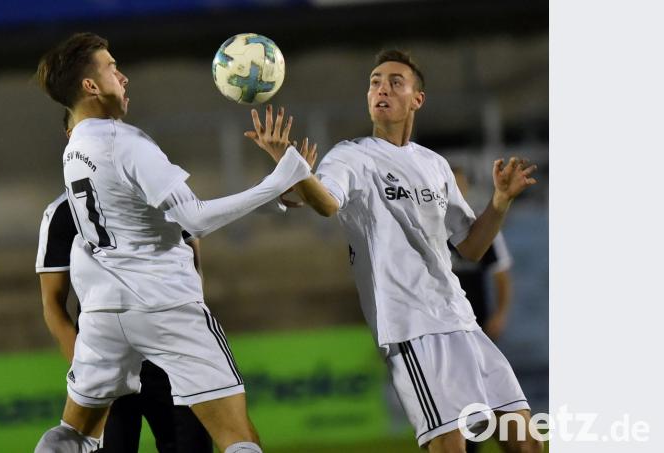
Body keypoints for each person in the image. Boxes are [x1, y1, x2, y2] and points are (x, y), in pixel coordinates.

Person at [33, 32, 315, 453]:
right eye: (112, 68)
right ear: (90, 86)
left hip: (104, 315)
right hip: (165, 305)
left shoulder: (76, 151)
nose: (123, 77)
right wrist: (275, 182)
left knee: (73, 434)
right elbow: (193, 219)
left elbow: (151, 212)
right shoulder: (124, 141)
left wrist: (270, 201)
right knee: (238, 436)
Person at [281, 49, 542, 452]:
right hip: (412, 328)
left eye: (394, 82)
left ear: (417, 99)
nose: (381, 88)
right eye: (374, 81)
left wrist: (500, 202)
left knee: (526, 443)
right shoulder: (351, 155)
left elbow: (471, 246)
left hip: (462, 320)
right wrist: (297, 175)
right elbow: (328, 203)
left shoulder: (435, 165)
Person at [33, 113, 213, 453]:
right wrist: (87, 366)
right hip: (110, 360)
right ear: (70, 136)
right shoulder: (61, 214)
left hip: (169, 356)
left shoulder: (158, 195)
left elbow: (193, 257)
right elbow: (53, 305)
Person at [449, 166, 514, 342]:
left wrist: (500, 315)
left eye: (459, 185)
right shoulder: (429, 226)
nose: (456, 190)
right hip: (441, 323)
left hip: (477, 320)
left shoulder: (483, 226)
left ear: (467, 187)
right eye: (450, 185)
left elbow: (501, 274)